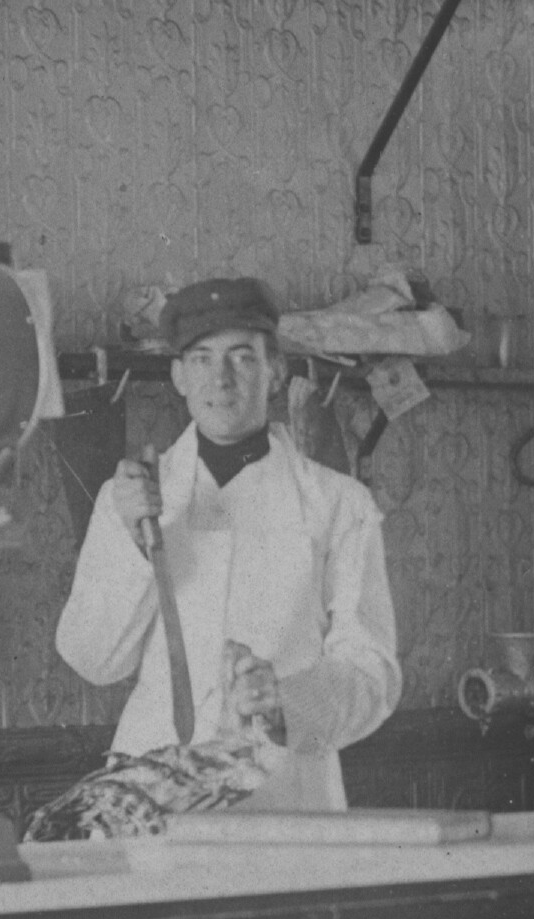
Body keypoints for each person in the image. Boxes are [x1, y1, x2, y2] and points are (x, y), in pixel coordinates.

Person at [55, 275, 400, 810]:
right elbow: (94, 661)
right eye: (200, 359)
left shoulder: (339, 504)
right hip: (153, 792)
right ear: (178, 376)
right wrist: (133, 544)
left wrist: (287, 703)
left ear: (276, 371)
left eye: (242, 358)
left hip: (285, 793)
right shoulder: (132, 496)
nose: (221, 379)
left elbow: (372, 670)